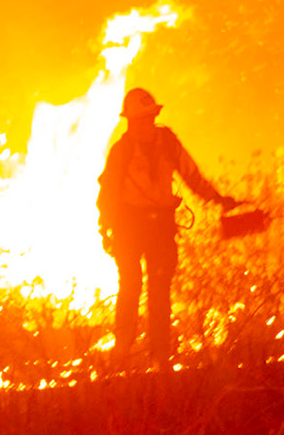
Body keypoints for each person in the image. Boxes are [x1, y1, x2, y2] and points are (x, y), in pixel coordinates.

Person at [97, 87, 235, 363]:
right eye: (141, 119)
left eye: (150, 117)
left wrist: (218, 199)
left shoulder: (168, 143)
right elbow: (108, 193)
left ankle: (160, 353)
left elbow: (191, 175)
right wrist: (106, 229)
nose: (146, 123)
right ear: (130, 121)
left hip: (160, 226)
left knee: (159, 290)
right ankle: (123, 348)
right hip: (128, 226)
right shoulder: (121, 151)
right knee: (130, 285)